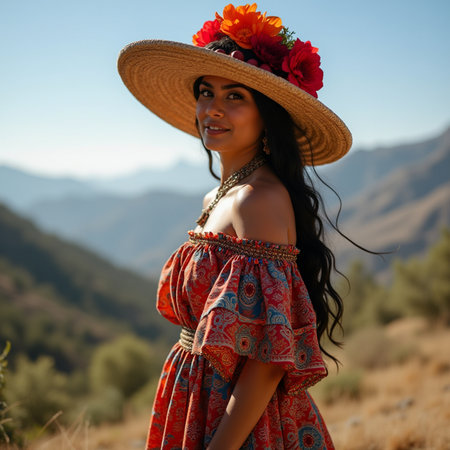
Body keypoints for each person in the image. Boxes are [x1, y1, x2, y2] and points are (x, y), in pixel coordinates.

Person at [118, 3, 353, 449]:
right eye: (207, 92)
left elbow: (266, 362)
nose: (213, 109)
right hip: (199, 402)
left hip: (241, 423)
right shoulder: (220, 195)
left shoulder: (258, 200)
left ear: (267, 116)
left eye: (235, 96)